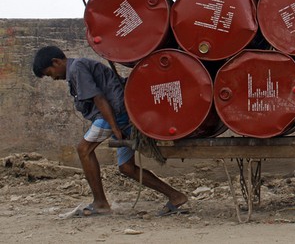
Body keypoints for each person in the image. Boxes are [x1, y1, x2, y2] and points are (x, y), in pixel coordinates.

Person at [32, 46, 188, 217]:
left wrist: (114, 126)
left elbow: (99, 98)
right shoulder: (77, 69)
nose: (53, 78)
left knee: (84, 149)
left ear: (56, 62)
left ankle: (100, 203)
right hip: (117, 114)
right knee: (126, 168)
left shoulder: (77, 68)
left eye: (50, 73)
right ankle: (176, 196)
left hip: (113, 114)